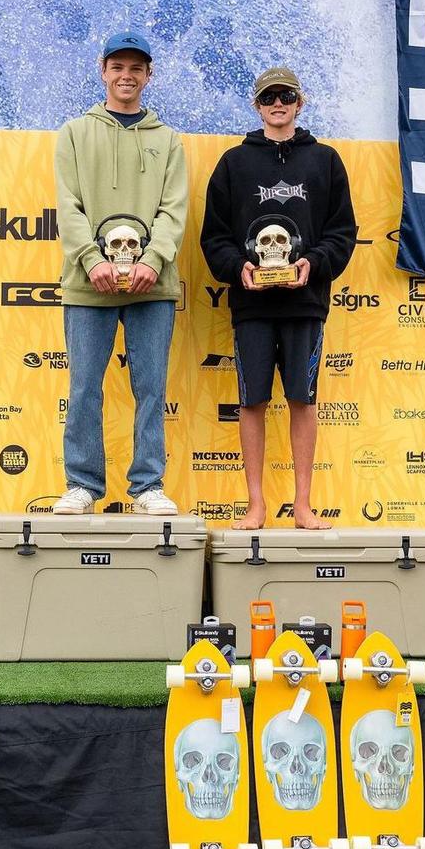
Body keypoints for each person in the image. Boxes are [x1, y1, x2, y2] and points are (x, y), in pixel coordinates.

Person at [200, 67, 356, 530]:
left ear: (300, 102)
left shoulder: (325, 160)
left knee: (303, 400)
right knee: (252, 402)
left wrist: (314, 264)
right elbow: (215, 237)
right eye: (269, 97)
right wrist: (237, 268)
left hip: (305, 304)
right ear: (257, 105)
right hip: (251, 307)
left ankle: (303, 506)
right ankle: (256, 505)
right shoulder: (233, 163)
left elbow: (342, 232)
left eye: (286, 95)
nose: (278, 104)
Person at [53, 31, 188, 515]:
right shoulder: (73, 133)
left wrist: (152, 261)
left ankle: (147, 484)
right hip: (88, 285)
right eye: (118, 67)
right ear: (103, 70)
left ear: (148, 75)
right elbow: (68, 207)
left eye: (136, 68)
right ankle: (83, 485)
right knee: (85, 387)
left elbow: (174, 209)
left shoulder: (168, 140)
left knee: (151, 388)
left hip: (154, 286)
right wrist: (92, 260)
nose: (126, 76)